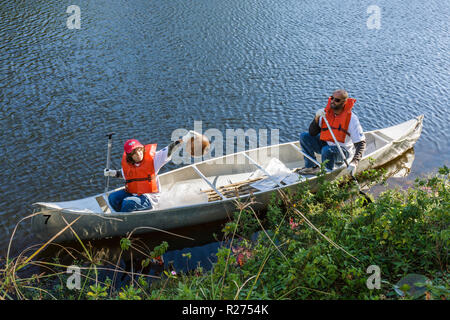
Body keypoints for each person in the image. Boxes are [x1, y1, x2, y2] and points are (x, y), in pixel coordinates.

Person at [104, 131, 200, 212]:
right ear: (130, 156)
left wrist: (185, 138)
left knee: (127, 203)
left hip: (149, 197)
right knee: (112, 198)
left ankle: (125, 218)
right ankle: (124, 215)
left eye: (139, 150)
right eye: (134, 153)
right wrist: (111, 173)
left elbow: (170, 149)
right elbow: (122, 174)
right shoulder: (129, 165)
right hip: (133, 192)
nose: (138, 154)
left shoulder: (153, 160)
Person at [297, 89, 366, 175]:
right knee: (304, 136)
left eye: (337, 100)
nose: (333, 101)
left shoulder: (352, 119)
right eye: (332, 98)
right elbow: (312, 133)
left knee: (327, 150)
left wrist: (354, 162)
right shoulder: (325, 113)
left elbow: (361, 143)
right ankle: (311, 167)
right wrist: (316, 118)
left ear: (344, 102)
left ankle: (326, 172)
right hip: (327, 145)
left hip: (343, 152)